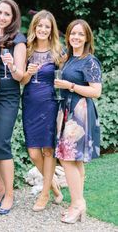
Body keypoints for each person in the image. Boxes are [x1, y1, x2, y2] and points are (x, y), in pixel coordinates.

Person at [54, 19, 102, 224]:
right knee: (74, 160)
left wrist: (70, 86)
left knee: (66, 158)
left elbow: (96, 91)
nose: (76, 37)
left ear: (87, 38)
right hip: (67, 109)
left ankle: (78, 203)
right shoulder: (68, 58)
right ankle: (77, 205)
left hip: (80, 111)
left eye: (81, 34)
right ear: (68, 36)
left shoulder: (90, 61)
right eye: (73, 33)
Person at [21, 10, 63, 211]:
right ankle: (54, 185)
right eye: (40, 26)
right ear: (34, 28)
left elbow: (66, 75)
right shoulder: (27, 50)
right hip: (30, 102)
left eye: (47, 26)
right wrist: (27, 74)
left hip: (49, 103)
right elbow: (21, 81)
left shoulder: (58, 52)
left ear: (51, 29)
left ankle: (45, 194)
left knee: (48, 150)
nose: (43, 30)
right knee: (33, 152)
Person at [0, 0, 26, 214]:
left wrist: (12, 66)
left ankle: (10, 195)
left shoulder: (18, 41)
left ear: (13, 18)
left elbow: (21, 77)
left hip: (8, 97)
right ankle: (0, 190)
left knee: (2, 141)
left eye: (7, 14)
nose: (2, 17)